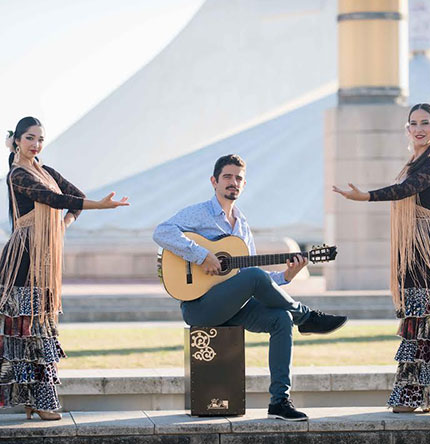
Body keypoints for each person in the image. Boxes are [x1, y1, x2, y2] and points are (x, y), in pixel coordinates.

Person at [153, 154, 347, 421]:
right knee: (259, 280)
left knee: (280, 319)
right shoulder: (199, 212)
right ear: (214, 181)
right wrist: (201, 255)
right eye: (228, 177)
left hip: (233, 307)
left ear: (244, 184)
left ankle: (280, 402)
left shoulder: (242, 225)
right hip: (199, 307)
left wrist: (287, 275)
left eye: (239, 178)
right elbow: (161, 232)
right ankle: (307, 317)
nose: (234, 182)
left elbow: (252, 278)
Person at [0, 117, 129, 420]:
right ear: (17, 140)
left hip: (45, 258)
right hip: (22, 259)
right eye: (30, 138)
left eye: (41, 139)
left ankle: (39, 400)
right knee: (22, 331)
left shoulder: (47, 172)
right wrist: (97, 206)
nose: (36, 144)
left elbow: (75, 200)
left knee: (42, 327)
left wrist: (64, 225)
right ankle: (37, 401)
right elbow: (53, 198)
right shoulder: (17, 175)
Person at [333, 103, 430, 413]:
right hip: (412, 247)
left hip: (428, 247)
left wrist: (365, 196)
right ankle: (415, 397)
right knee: (418, 320)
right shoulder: (415, 160)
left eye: (426, 123)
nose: (420, 128)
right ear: (407, 129)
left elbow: (405, 190)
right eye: (414, 123)